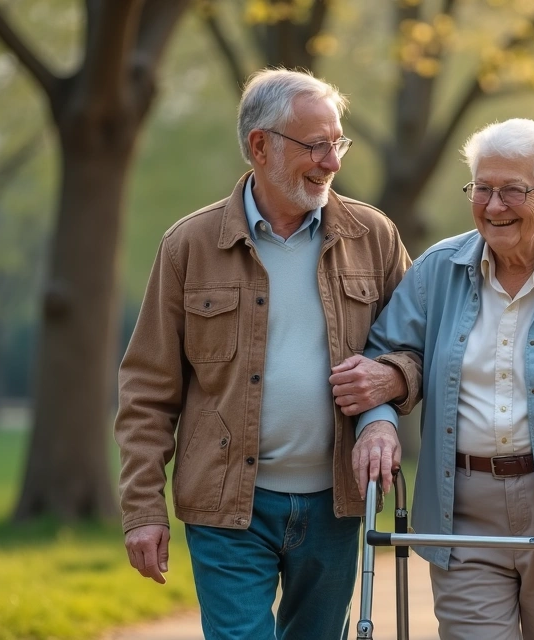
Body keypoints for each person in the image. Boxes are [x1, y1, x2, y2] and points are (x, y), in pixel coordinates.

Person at [114, 68, 417, 640]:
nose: (333, 162)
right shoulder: (189, 245)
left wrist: (392, 380)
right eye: (317, 145)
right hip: (227, 506)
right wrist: (143, 510)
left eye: (339, 143)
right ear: (260, 146)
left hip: (335, 506)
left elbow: (417, 344)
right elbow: (147, 391)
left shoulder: (373, 236)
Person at [343, 118, 534, 640]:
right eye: (482, 189)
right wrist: (377, 424)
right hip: (462, 510)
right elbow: (381, 360)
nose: (493, 206)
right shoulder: (437, 270)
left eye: (512, 190)